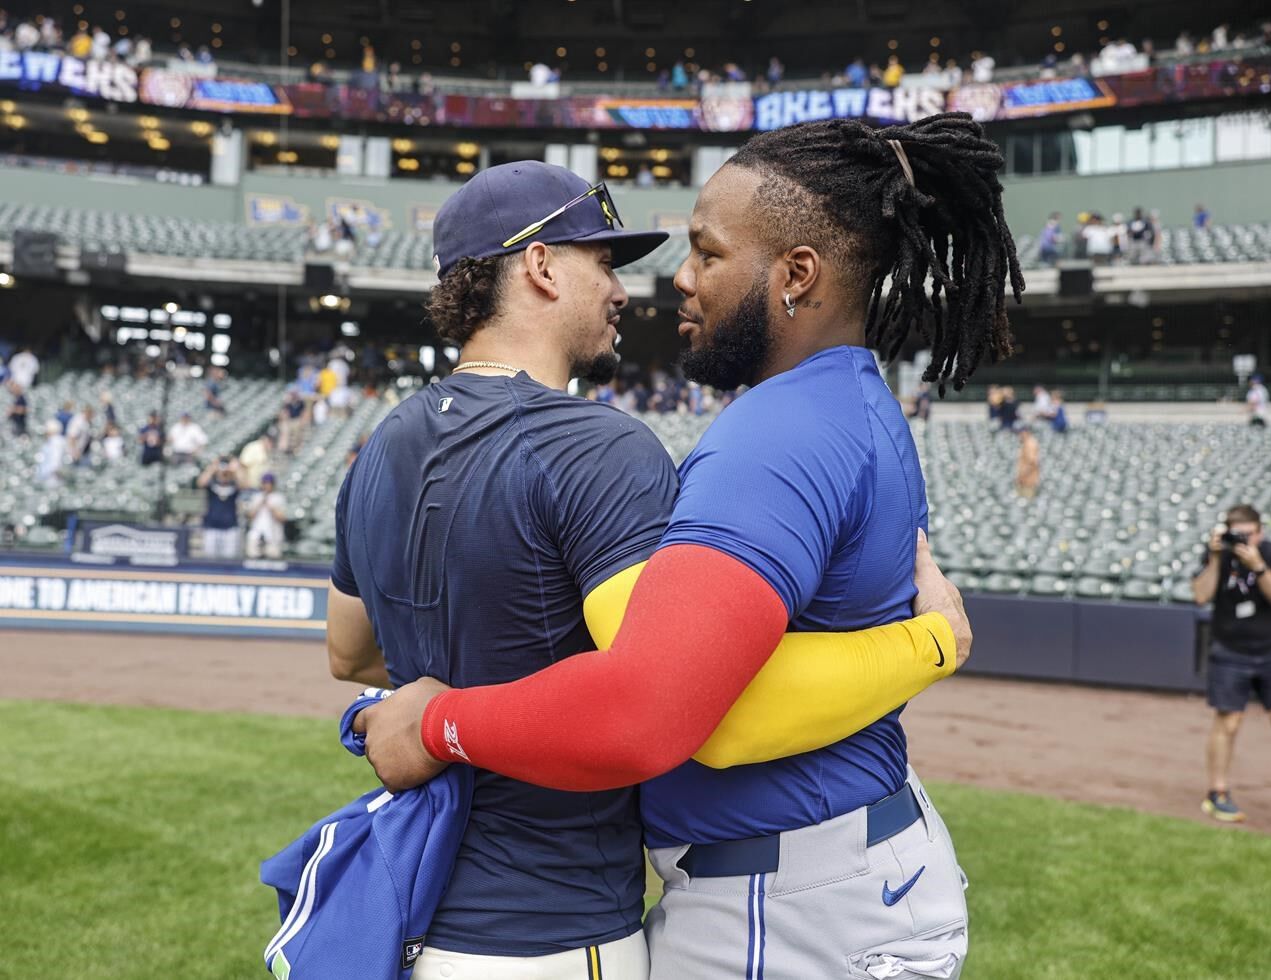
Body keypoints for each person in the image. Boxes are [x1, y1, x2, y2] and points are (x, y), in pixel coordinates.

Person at [359, 116, 1021, 978]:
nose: (677, 278)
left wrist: (439, 720)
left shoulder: (777, 431)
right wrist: (927, 646)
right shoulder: (837, 402)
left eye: (708, 254)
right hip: (821, 881)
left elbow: (674, 711)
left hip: (790, 899)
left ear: (796, 274)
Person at [1191, 505, 1271, 822]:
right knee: (1228, 722)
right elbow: (1200, 596)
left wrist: (1258, 566)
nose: (1243, 539)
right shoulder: (1219, 554)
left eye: (1249, 533)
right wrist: (1215, 558)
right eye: (1237, 533)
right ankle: (1217, 793)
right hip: (1230, 650)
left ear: (1261, 531)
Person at [198, 456, 249, 559]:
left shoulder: (234, 484)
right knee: (209, 558)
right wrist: (213, 467)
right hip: (212, 527)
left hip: (230, 528)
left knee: (230, 559)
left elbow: (245, 485)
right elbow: (201, 483)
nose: (224, 472)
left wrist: (235, 468)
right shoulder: (212, 483)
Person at [245, 473, 286, 559]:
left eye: (269, 483)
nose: (267, 485)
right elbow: (250, 515)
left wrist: (270, 506)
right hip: (257, 533)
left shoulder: (279, 497)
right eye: (265, 483)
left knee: (273, 558)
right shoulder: (256, 497)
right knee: (253, 557)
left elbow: (282, 518)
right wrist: (260, 503)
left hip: (273, 535)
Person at [35, 420, 65, 487]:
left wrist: (54, 471)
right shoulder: (52, 440)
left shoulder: (56, 441)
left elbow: (56, 459)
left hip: (51, 476)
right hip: (47, 475)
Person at [1015, 424, 1040, 497]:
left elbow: (1032, 463)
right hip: (1025, 481)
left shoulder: (1030, 444)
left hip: (1028, 482)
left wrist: (1021, 477)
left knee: (1026, 501)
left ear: (1026, 432)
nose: (1019, 435)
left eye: (1020, 433)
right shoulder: (1026, 443)